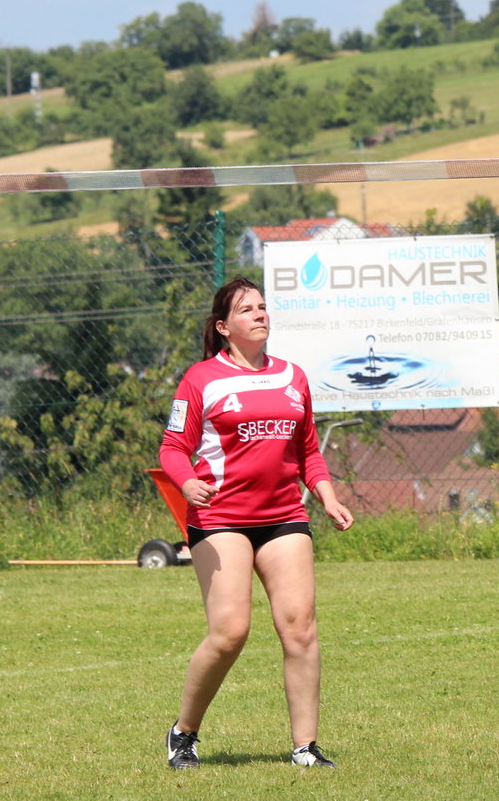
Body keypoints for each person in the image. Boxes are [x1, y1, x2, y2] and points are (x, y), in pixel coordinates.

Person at [159, 276, 354, 770]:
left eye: (264, 307)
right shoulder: (200, 378)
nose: (260, 314)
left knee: (300, 631)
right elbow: (173, 449)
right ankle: (183, 733)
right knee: (230, 632)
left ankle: (305, 748)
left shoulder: (293, 376)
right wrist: (185, 484)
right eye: (247, 310)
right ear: (224, 327)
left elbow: (308, 450)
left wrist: (327, 497)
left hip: (284, 516)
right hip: (219, 518)